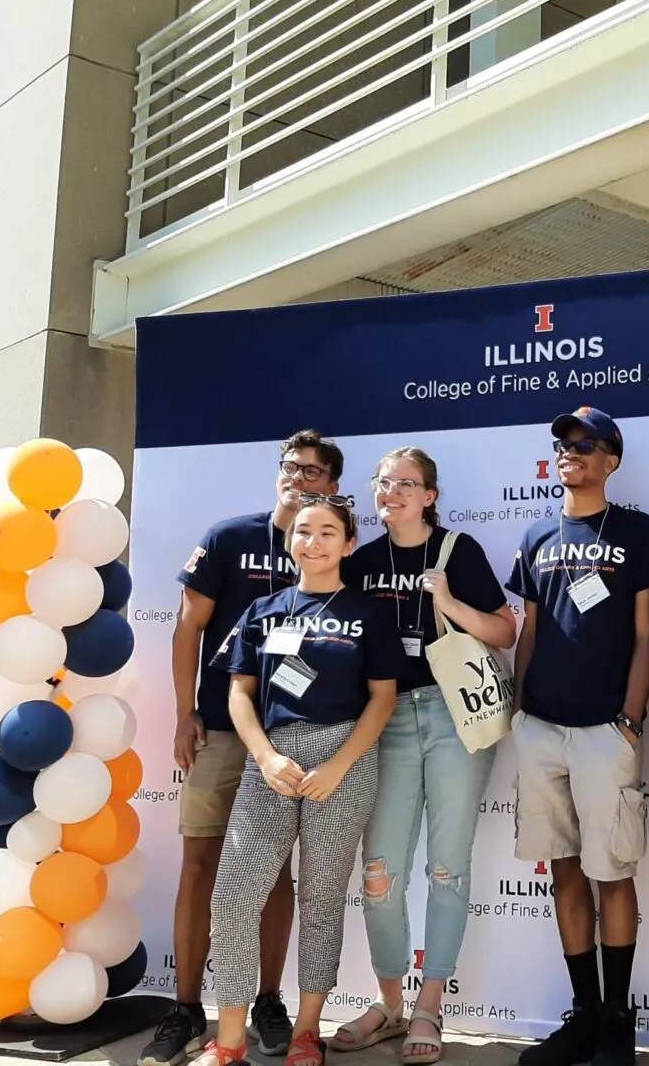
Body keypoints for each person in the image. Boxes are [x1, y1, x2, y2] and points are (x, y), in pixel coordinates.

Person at [142, 429, 345, 1066]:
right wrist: (182, 715)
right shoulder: (230, 536)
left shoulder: (330, 551)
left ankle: (267, 1002)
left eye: (313, 472)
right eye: (291, 466)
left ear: (332, 487)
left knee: (275, 875)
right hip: (222, 731)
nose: (299, 478)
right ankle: (184, 1009)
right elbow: (187, 626)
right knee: (200, 865)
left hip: (293, 740)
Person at [193, 495, 401, 1066]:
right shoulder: (264, 610)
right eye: (304, 531)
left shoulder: (369, 612)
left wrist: (337, 766)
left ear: (349, 544)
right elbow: (238, 693)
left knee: (321, 899)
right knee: (234, 896)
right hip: (274, 761)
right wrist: (264, 758)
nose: (314, 541)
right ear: (291, 542)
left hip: (345, 762)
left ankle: (307, 1032)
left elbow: (383, 699)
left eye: (328, 531)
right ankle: (230, 1039)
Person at [332, 447, 518, 1064]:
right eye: (384, 483)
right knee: (380, 872)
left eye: (407, 484)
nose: (393, 492)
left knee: (447, 867)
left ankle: (429, 1005)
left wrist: (451, 606)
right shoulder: (357, 563)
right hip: (382, 719)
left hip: (449, 715)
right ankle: (388, 1002)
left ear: (431, 496)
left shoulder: (456, 550)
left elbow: (505, 631)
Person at [507, 407, 649, 1066]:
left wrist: (631, 719)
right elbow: (532, 631)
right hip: (541, 729)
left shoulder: (639, 532)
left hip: (607, 729)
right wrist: (517, 710)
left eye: (585, 444)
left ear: (612, 459)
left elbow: (645, 633)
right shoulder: (537, 532)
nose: (570, 452)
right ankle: (584, 1015)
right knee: (564, 872)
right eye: (563, 443)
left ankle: (617, 1026)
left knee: (612, 875)